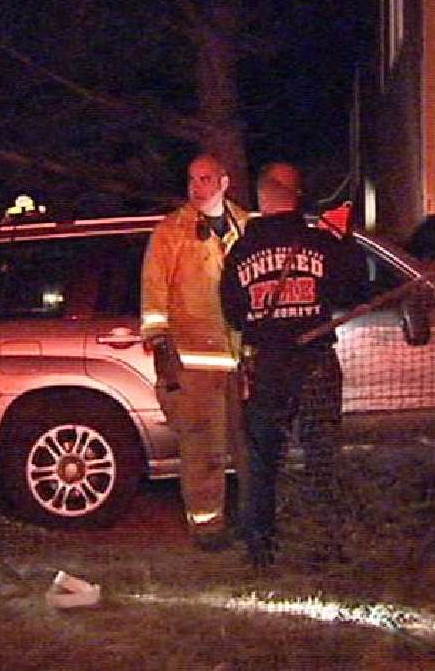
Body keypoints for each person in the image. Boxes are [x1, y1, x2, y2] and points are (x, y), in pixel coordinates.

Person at [220, 162, 368, 568]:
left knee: (264, 458)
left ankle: (261, 548)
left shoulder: (241, 251)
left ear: (263, 200)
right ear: (295, 195)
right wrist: (344, 240)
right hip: (314, 361)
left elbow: (233, 314)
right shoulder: (320, 243)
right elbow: (355, 288)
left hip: (267, 366)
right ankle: (327, 542)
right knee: (321, 454)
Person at [141, 153, 250, 550]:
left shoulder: (248, 226)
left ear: (224, 182)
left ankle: (253, 520)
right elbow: (153, 295)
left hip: (242, 362)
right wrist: (160, 345)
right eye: (192, 179)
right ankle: (207, 527)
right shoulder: (171, 232)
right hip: (193, 364)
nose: (197, 186)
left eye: (206, 179)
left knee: (246, 446)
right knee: (202, 448)